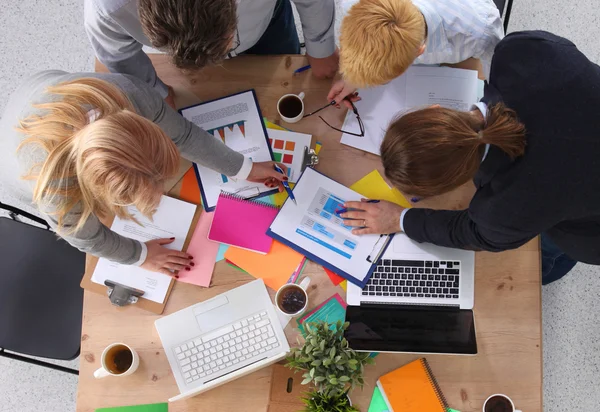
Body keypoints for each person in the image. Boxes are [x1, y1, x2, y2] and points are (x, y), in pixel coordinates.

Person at [338, 31, 600, 284]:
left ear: (458, 182)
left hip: (591, 228)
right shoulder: (521, 54)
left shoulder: (506, 211)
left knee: (545, 255)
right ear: (435, 109)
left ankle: (546, 272)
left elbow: (470, 233)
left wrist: (399, 219)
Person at [0, 71, 287, 275]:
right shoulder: (56, 192)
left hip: (40, 87)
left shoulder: (130, 94)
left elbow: (184, 135)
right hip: (17, 165)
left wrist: (243, 168)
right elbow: (86, 238)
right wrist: (141, 256)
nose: (163, 191)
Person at [84, 0, 339, 107]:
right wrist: (155, 92)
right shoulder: (108, 8)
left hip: (267, 22)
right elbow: (117, 54)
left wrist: (320, 47)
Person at [328, 0, 504, 108]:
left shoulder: (482, 32)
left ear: (420, 51)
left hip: (466, 56)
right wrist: (355, 77)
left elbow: (500, 86)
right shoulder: (352, 5)